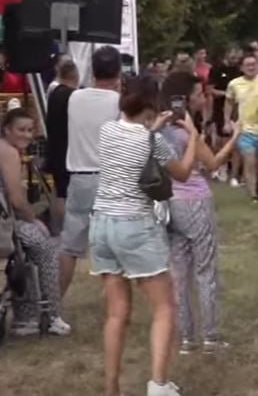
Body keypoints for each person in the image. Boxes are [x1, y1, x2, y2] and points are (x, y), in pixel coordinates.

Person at [90, 75, 200, 396]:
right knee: (165, 307)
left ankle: (111, 387)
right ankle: (159, 386)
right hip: (135, 225)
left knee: (116, 313)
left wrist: (153, 126)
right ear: (153, 104)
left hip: (102, 224)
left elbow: (132, 140)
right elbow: (182, 173)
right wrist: (193, 136)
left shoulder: (107, 130)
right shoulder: (153, 142)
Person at [160, 73, 240, 355]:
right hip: (195, 199)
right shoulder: (187, 133)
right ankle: (210, 336)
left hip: (170, 203)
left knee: (179, 272)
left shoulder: (159, 129)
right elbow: (213, 162)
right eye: (197, 94)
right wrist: (236, 136)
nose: (202, 98)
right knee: (205, 270)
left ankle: (186, 338)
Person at [0, 108, 71, 336]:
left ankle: (27, 316)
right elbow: (17, 200)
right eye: (21, 130)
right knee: (46, 248)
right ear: (7, 130)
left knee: (29, 253)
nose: (27, 135)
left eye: (30, 130)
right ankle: (52, 315)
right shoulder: (8, 153)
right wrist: (35, 220)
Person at [60, 46, 122, 299]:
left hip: (80, 176)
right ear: (118, 72)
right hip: (110, 177)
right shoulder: (118, 102)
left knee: (69, 247)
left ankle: (54, 304)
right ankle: (114, 304)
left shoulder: (74, 97)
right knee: (112, 245)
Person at [224, 54, 258, 204]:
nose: (251, 67)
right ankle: (253, 196)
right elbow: (228, 102)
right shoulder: (234, 84)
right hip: (245, 129)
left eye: (254, 64)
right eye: (247, 65)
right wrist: (227, 121)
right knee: (249, 161)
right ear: (241, 68)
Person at [44, 59, 79, 236]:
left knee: (59, 191)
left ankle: (58, 227)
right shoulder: (71, 95)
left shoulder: (55, 93)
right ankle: (65, 229)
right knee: (64, 194)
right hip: (67, 149)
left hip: (56, 147)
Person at [209, 48, 244, 182]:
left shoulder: (240, 71)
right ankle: (220, 167)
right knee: (221, 140)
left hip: (237, 109)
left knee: (236, 141)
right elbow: (211, 90)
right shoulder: (217, 69)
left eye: (237, 57)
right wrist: (227, 94)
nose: (235, 59)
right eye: (232, 56)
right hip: (220, 108)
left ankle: (234, 174)